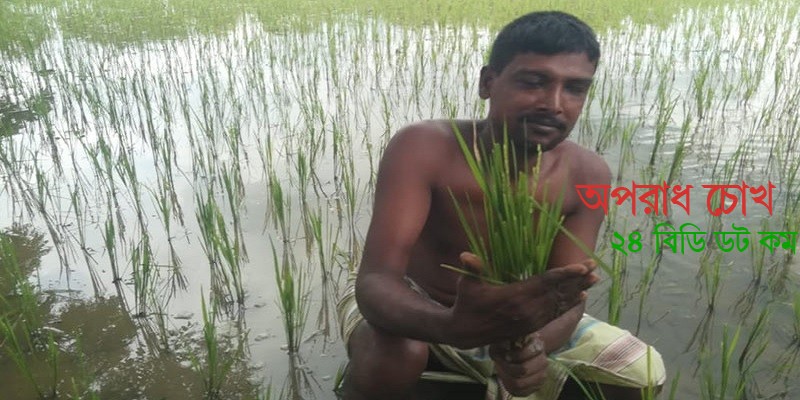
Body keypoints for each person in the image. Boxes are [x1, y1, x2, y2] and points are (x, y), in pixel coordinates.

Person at [337, 10, 665, 400]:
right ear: (488, 82)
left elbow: (566, 296)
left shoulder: (587, 174)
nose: (555, 104)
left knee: (641, 371)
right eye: (534, 82)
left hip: (522, 320)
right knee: (399, 354)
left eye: (575, 88)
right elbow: (376, 281)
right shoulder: (424, 147)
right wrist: (451, 326)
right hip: (416, 304)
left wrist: (528, 347)